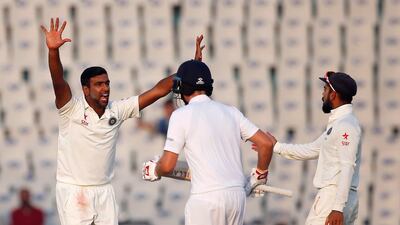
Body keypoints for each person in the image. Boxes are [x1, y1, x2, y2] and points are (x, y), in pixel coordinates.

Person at [40, 18, 204, 225]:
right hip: (74, 191)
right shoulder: (70, 109)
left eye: (107, 83)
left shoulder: (116, 110)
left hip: (105, 190)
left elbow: (158, 91)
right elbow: (58, 80)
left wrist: (192, 70)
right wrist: (53, 52)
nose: (105, 88)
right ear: (85, 89)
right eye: (98, 84)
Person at [142, 59, 275, 225]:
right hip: (236, 197)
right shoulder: (231, 112)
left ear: (183, 87)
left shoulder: (180, 115)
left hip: (206, 199)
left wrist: (155, 170)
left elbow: (168, 165)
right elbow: (266, 144)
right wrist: (259, 175)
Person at [256, 71, 361, 225]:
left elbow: (347, 166)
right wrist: (276, 146)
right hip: (342, 197)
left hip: (333, 198)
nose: (322, 94)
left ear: (333, 95)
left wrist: (337, 208)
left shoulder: (345, 126)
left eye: (325, 89)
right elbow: (312, 149)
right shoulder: (340, 124)